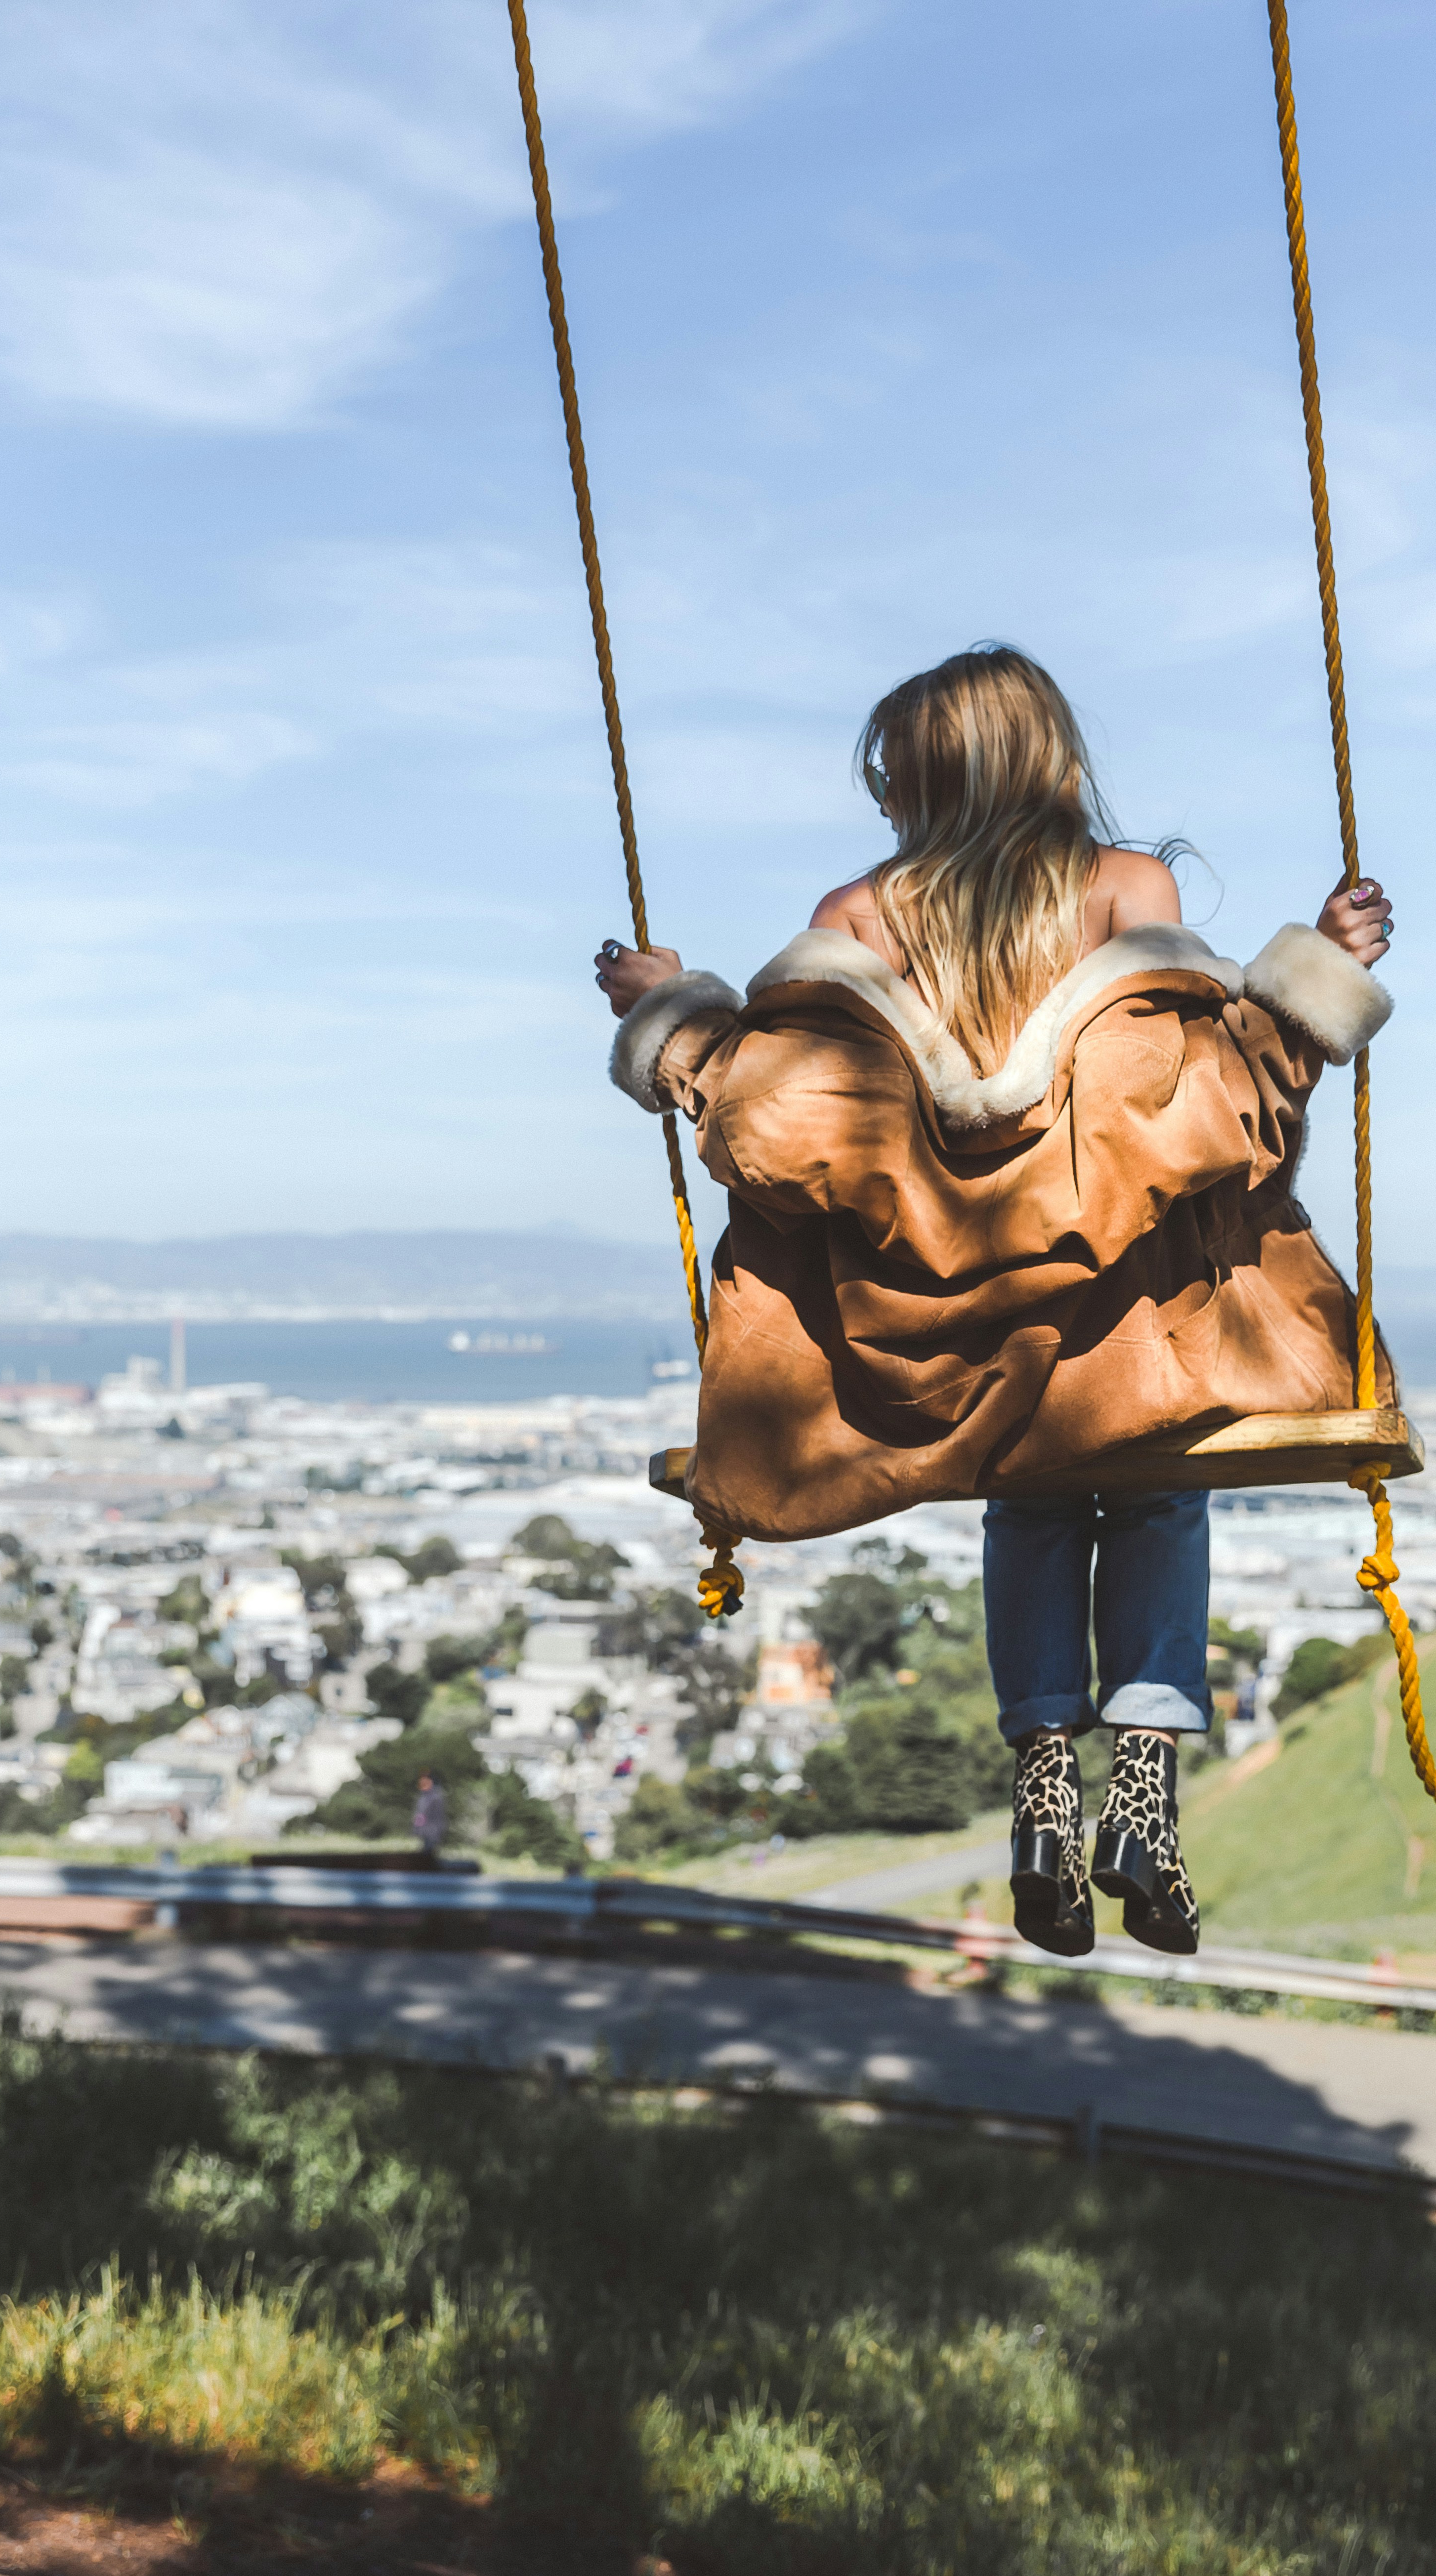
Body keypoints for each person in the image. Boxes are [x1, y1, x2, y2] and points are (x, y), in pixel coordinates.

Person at [593, 645, 1394, 1961]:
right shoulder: (1127, 890)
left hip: (953, 1344)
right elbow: (1206, 1100)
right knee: (1152, 1481)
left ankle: (1041, 1791)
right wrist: (1317, 971)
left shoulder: (852, 917)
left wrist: (670, 1016)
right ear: (1048, 756)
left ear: (916, 777)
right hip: (1124, 1323)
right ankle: (1141, 1793)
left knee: (1026, 1496)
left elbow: (782, 1122)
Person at [411, 1770, 448, 1859]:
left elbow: (439, 1817)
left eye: (425, 1781)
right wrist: (417, 1829)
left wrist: (437, 1832)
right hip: (424, 1832)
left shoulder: (436, 1797)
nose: (422, 1783)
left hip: (432, 1833)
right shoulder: (423, 1797)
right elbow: (420, 1815)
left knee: (429, 1856)